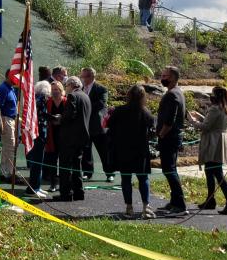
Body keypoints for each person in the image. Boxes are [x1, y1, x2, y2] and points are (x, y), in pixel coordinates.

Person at [107, 84, 155, 219]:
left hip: (123, 150)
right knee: (143, 178)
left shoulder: (119, 110)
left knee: (126, 179)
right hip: (141, 150)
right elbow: (152, 130)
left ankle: (129, 207)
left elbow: (110, 126)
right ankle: (146, 207)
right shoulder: (145, 112)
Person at [188, 87, 227, 214]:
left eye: (213, 94)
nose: (211, 96)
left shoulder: (215, 108)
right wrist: (200, 116)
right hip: (220, 140)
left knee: (216, 172)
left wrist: (191, 120)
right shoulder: (226, 108)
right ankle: (211, 200)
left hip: (213, 142)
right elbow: (213, 122)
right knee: (211, 170)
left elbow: (206, 126)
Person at [156, 66, 187, 215]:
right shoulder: (178, 92)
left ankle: (180, 203)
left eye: (165, 75)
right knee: (171, 169)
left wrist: (161, 135)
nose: (162, 78)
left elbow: (169, 120)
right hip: (173, 137)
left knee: (169, 170)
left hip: (169, 138)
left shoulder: (172, 95)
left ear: (173, 78)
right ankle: (174, 201)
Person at [56, 76, 91, 202]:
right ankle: (78, 192)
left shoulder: (72, 96)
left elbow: (70, 115)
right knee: (77, 166)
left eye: (66, 86)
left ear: (71, 85)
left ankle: (66, 194)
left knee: (65, 166)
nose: (66, 88)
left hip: (70, 138)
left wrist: (60, 117)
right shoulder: (86, 96)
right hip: (82, 137)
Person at [80, 67, 114, 183]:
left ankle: (110, 173)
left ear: (93, 76)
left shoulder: (101, 89)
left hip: (98, 126)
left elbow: (101, 104)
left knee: (104, 151)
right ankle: (87, 173)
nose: (84, 79)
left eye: (86, 76)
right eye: (82, 76)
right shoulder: (80, 88)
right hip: (84, 125)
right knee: (86, 151)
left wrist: (84, 106)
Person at [25, 80, 51, 199]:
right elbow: (43, 116)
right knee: (37, 162)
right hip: (39, 134)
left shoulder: (35, 98)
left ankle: (36, 186)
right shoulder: (42, 99)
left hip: (36, 133)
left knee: (37, 162)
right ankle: (33, 188)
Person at [0, 75, 20, 186]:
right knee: (9, 146)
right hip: (6, 119)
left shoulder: (11, 88)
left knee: (9, 147)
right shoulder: (3, 89)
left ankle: (5, 171)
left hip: (11, 119)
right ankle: (8, 172)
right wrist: (2, 123)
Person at [44, 81, 66, 192]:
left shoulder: (66, 101)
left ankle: (64, 184)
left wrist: (61, 119)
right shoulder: (48, 102)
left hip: (64, 136)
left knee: (64, 161)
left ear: (61, 90)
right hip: (52, 136)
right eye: (53, 90)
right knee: (52, 161)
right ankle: (53, 184)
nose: (55, 92)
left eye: (57, 89)